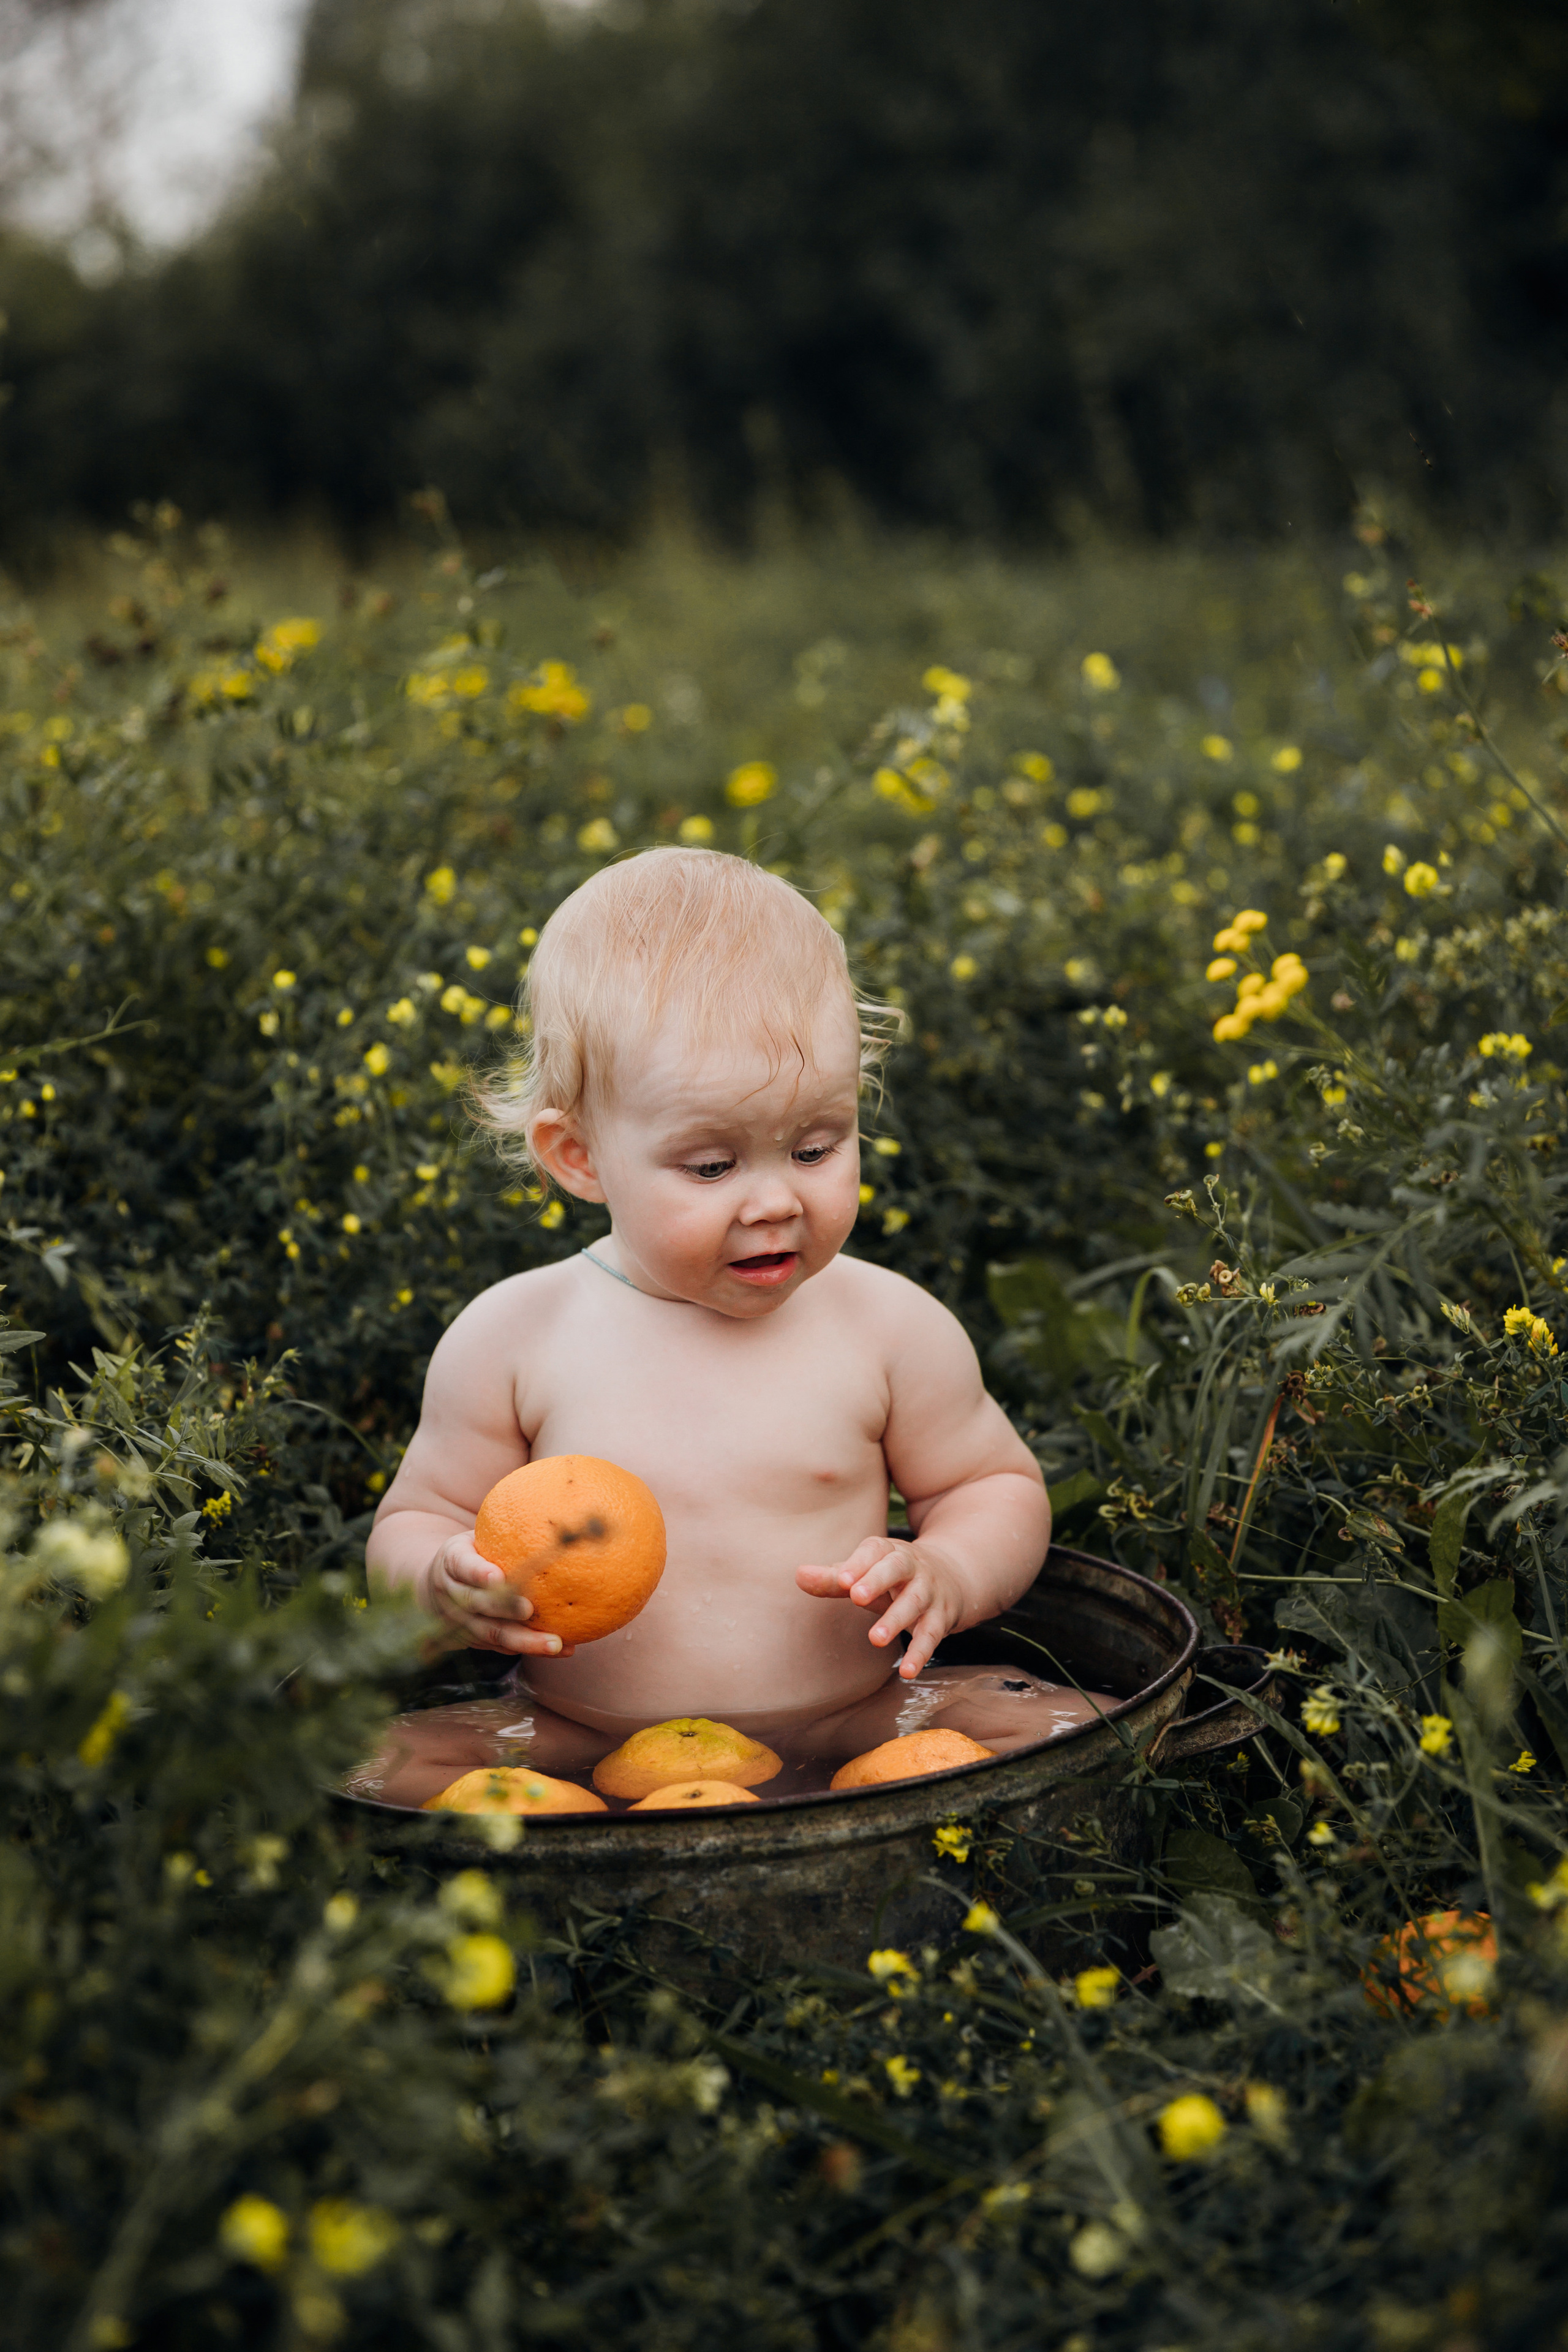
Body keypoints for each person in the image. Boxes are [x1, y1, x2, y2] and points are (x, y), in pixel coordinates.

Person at [363, 848, 1106, 1806]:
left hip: (856, 1715)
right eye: (711, 1167)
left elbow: (990, 1482)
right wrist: (440, 1578)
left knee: (1060, 1725)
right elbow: (416, 1516)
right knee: (378, 1767)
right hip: (572, 1732)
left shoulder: (886, 1326)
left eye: (815, 1147)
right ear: (580, 1156)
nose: (773, 1201)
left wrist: (949, 1568)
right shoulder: (516, 1337)